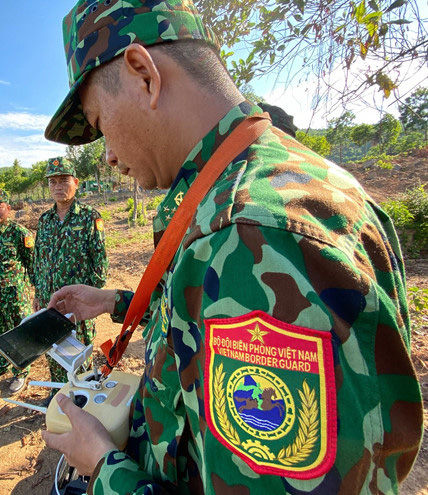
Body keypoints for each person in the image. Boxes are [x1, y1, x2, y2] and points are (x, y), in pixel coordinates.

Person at [40, 1, 423, 494]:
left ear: (143, 74)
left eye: (101, 122)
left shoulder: (248, 231)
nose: (109, 154)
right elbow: (207, 315)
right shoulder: (249, 185)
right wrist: (115, 301)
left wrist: (104, 466)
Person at [32, 157, 108, 395]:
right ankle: (59, 396)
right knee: (54, 350)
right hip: (50, 302)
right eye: (52, 182)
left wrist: (91, 297)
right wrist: (38, 294)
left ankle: (81, 397)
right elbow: (39, 260)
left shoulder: (89, 216)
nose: (58, 186)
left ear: (75, 182)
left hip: (78, 304)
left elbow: (100, 263)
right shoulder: (44, 221)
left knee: (78, 354)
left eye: (63, 180)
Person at [0, 186, 34, 395]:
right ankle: (1, 365)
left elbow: (32, 265)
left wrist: (36, 292)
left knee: (18, 332)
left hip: (15, 295)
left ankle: (21, 371)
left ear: (8, 208)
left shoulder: (19, 233)